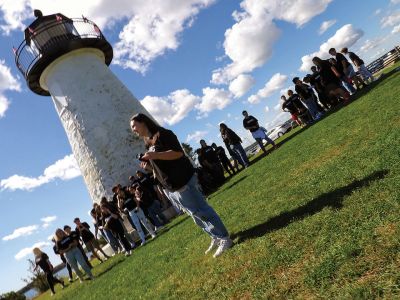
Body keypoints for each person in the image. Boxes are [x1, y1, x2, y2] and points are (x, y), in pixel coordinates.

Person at [130, 113, 232, 258]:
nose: (133, 129)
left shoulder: (163, 134)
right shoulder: (148, 142)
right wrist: (149, 166)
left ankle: (224, 238)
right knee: (195, 214)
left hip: (182, 180)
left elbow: (178, 153)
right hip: (170, 186)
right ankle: (214, 236)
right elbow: (159, 165)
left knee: (202, 209)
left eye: (134, 125)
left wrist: (154, 156)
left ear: (143, 122)